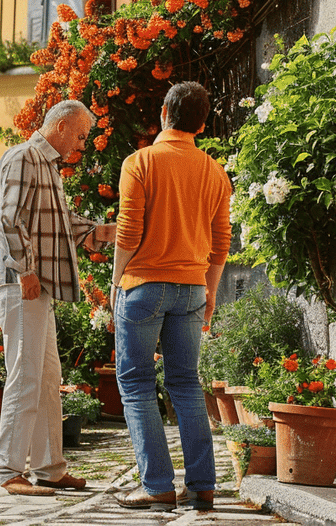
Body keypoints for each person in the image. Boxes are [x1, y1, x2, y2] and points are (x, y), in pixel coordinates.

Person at [109, 82, 232, 511]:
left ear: (164, 112)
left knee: (137, 384)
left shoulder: (140, 161)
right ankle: (203, 486)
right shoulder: (215, 171)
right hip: (193, 287)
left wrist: (115, 279)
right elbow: (221, 242)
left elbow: (128, 231)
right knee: (186, 386)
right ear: (201, 123)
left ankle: (157, 485)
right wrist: (210, 293)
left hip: (143, 284)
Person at [0, 99, 115, 495]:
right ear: (60, 126)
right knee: (26, 377)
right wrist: (25, 270)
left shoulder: (48, 168)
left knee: (47, 378)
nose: (81, 144)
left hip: (34, 286)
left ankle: (49, 468)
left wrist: (110, 230)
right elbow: (9, 219)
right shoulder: (24, 157)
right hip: (21, 283)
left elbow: (62, 225)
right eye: (79, 135)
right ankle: (7, 470)